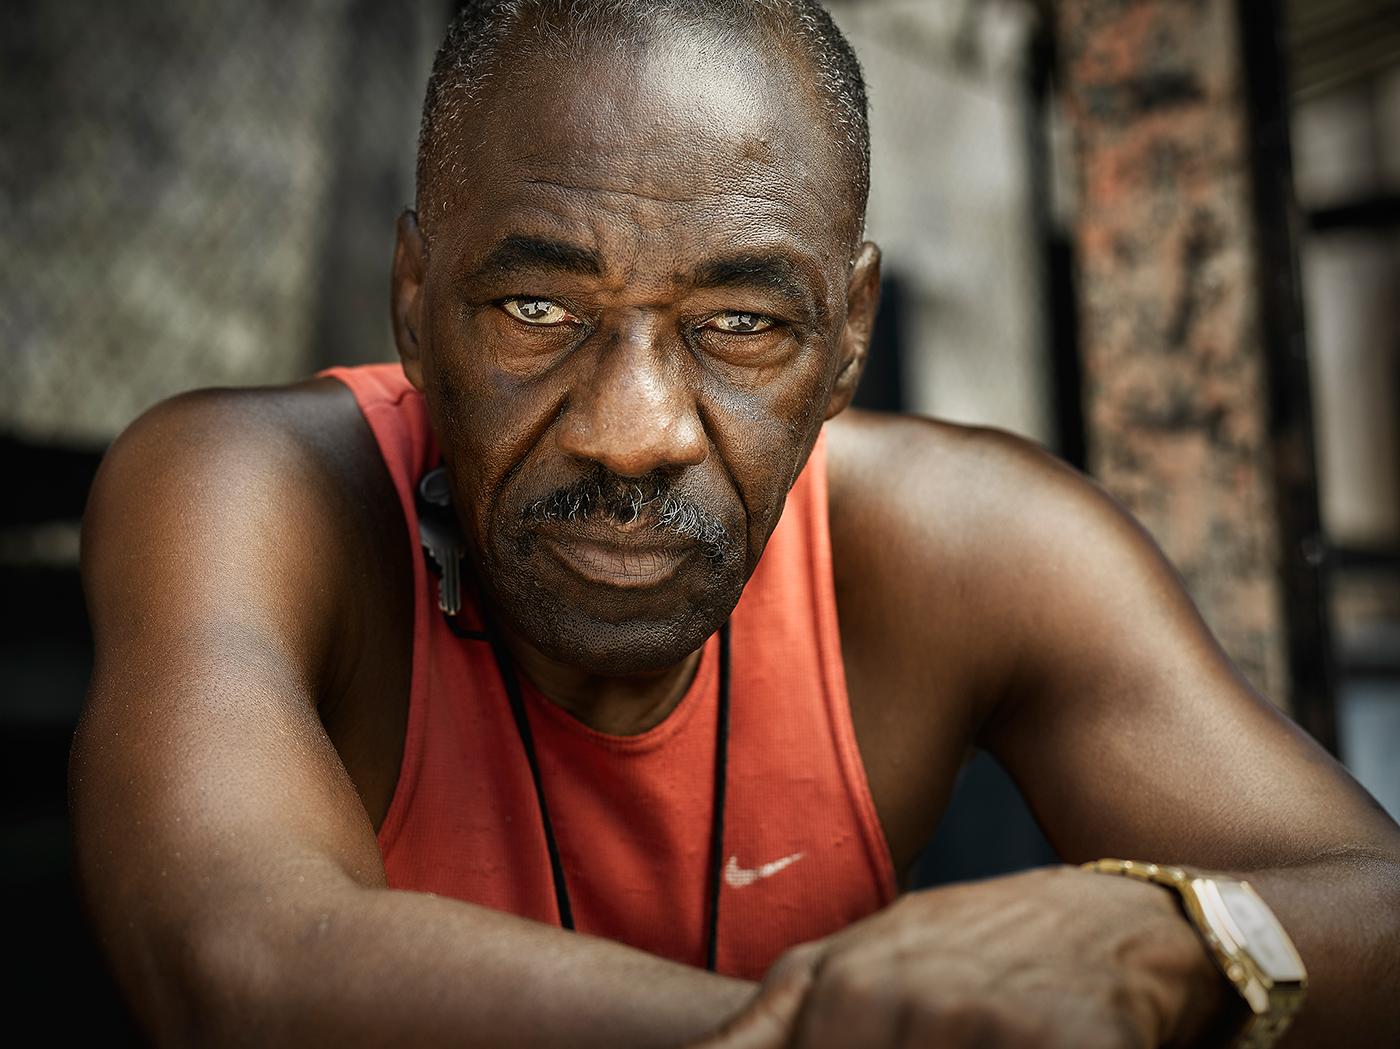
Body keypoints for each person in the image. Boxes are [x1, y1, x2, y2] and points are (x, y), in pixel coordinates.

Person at [71, 1, 1399, 1046]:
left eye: (742, 325)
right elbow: (238, 959)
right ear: (416, 298)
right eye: (539, 308)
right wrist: (891, 1025)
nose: (632, 427)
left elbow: (1374, 902)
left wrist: (1158, 939)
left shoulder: (964, 547)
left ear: (846, 341)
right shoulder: (248, 489)